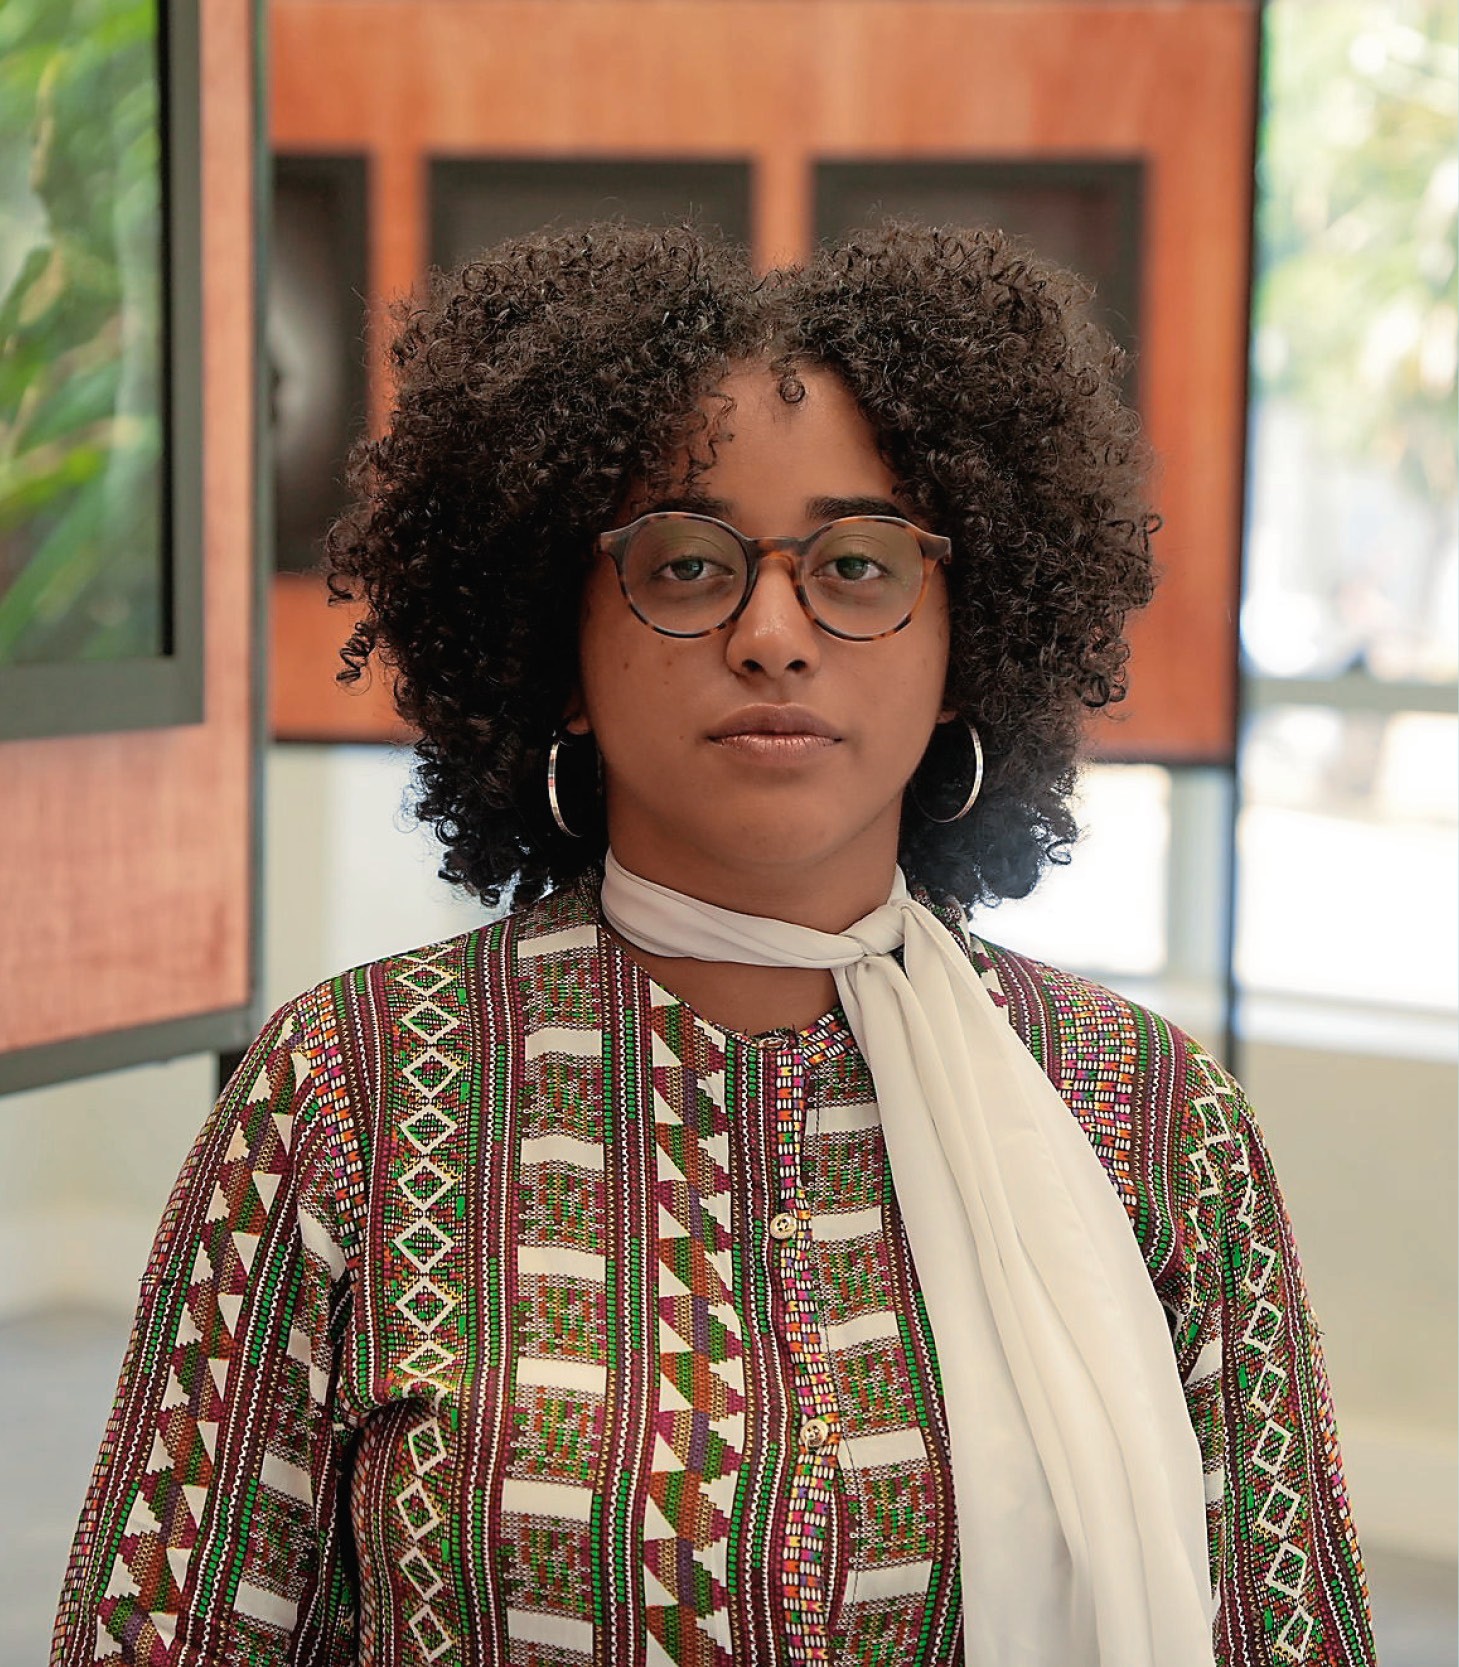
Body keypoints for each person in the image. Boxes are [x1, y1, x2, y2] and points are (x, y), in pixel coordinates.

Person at [52, 222, 1375, 1666]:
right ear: (557, 649)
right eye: (686, 565)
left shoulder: (1150, 1117)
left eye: (858, 564)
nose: (773, 633)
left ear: (963, 647)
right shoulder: (352, 1091)